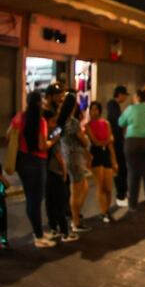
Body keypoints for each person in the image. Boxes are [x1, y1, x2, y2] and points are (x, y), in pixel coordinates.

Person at [10, 91, 58, 248]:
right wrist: (53, 141)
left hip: (22, 161)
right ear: (38, 104)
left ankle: (38, 232)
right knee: (35, 200)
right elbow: (42, 146)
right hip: (36, 162)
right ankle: (38, 236)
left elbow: (8, 136)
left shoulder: (19, 117)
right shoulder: (41, 121)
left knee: (30, 198)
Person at [58, 92, 91, 234]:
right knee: (76, 191)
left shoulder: (60, 121)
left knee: (84, 187)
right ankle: (76, 221)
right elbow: (84, 141)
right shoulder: (73, 122)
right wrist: (87, 139)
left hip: (66, 156)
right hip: (75, 158)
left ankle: (75, 216)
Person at [44, 87, 73, 240]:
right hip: (54, 169)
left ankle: (54, 227)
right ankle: (63, 231)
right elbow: (56, 152)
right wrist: (64, 170)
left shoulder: (51, 131)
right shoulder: (53, 133)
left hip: (49, 168)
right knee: (58, 199)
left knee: (52, 199)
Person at [87, 101, 118, 223]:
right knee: (100, 186)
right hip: (95, 154)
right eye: (92, 109)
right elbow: (95, 142)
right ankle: (103, 212)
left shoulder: (106, 123)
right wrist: (108, 140)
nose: (94, 112)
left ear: (100, 110)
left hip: (106, 154)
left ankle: (107, 210)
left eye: (96, 109)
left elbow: (111, 144)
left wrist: (114, 161)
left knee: (108, 188)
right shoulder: (88, 125)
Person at [106, 85, 129, 205]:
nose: (125, 98)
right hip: (116, 142)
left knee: (121, 168)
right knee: (120, 168)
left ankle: (122, 193)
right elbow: (118, 122)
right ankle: (121, 195)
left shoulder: (114, 106)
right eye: (125, 95)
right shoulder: (113, 105)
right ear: (120, 94)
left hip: (117, 141)